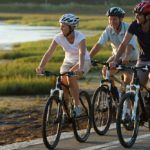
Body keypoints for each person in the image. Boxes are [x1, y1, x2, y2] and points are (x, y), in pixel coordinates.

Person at [36, 14, 91, 117]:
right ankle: (66, 113)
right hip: (68, 62)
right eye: (60, 25)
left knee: (71, 77)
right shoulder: (59, 37)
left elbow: (81, 53)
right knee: (62, 83)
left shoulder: (80, 37)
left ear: (71, 27)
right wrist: (41, 66)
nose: (61, 28)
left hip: (83, 61)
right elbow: (49, 53)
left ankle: (77, 106)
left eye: (63, 26)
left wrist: (80, 68)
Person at [90, 7, 139, 97]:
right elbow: (99, 44)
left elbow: (129, 45)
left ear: (121, 19)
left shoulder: (128, 28)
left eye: (114, 19)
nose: (112, 21)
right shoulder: (108, 29)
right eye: (110, 19)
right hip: (116, 56)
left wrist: (126, 56)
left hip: (131, 57)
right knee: (106, 71)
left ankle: (124, 89)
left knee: (127, 81)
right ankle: (114, 91)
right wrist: (89, 57)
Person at [111, 1, 150, 88]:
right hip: (143, 60)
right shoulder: (135, 25)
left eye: (140, 14)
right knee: (134, 88)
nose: (136, 16)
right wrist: (115, 60)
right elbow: (124, 44)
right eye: (136, 14)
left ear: (148, 16)